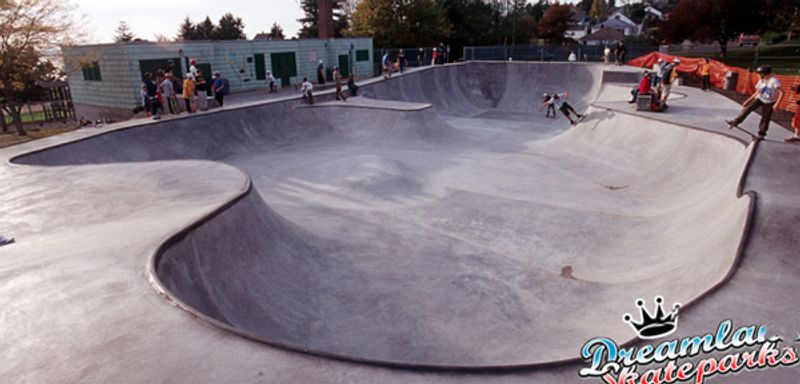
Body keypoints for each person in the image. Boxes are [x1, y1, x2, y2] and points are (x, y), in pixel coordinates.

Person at [726, 65, 784, 139]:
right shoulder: (761, 80)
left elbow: (782, 92)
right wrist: (748, 100)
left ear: (765, 74)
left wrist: (777, 104)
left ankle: (761, 134)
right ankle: (736, 122)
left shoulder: (774, 81)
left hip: (769, 102)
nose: (758, 76)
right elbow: (757, 92)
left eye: (760, 74)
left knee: (765, 118)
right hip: (759, 98)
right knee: (747, 109)